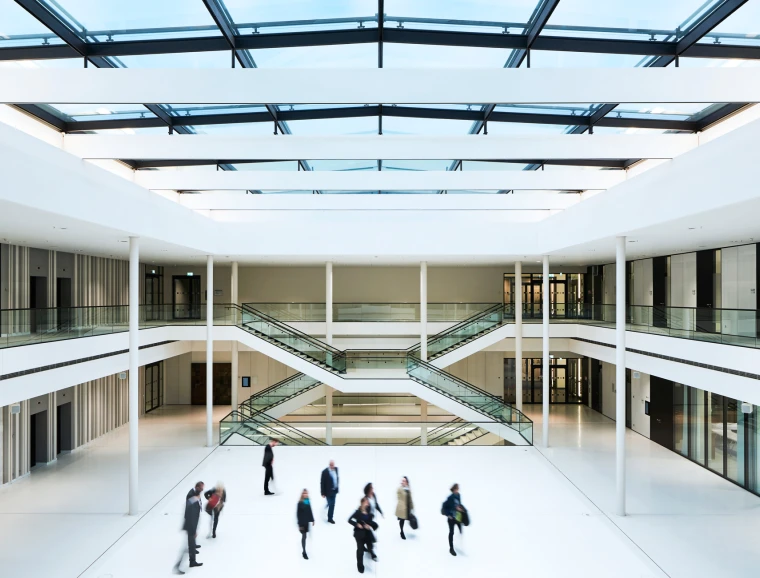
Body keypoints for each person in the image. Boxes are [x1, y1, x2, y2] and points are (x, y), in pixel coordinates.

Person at [174, 485, 204, 574]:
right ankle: (178, 566)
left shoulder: (194, 497)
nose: (202, 490)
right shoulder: (192, 499)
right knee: (186, 547)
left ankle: (192, 561)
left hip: (191, 525)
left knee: (190, 545)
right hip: (190, 526)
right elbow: (191, 516)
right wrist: (194, 530)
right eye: (201, 488)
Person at [348, 497, 378, 573]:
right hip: (359, 534)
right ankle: (360, 565)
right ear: (362, 503)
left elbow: (370, 521)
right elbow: (349, 520)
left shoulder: (368, 511)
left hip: (367, 532)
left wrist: (369, 525)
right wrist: (357, 524)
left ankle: (372, 553)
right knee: (360, 550)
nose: (367, 503)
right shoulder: (357, 512)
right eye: (366, 502)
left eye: (368, 502)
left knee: (370, 545)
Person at [442, 483, 465, 556]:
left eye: (458, 489)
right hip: (451, 518)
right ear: (454, 489)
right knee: (451, 532)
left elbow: (459, 505)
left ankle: (458, 544)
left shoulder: (458, 496)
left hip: (457, 517)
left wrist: (461, 509)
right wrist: (448, 514)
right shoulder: (450, 498)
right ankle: (451, 548)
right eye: (457, 488)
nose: (458, 490)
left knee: (460, 530)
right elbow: (445, 507)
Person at [297, 488, 315, 560]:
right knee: (304, 536)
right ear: (302, 494)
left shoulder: (308, 501)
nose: (305, 494)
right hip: (302, 523)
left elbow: (310, 511)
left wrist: (312, 519)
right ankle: (304, 552)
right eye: (304, 493)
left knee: (305, 536)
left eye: (306, 493)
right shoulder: (300, 503)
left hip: (306, 522)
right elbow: (298, 514)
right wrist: (299, 525)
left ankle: (304, 549)